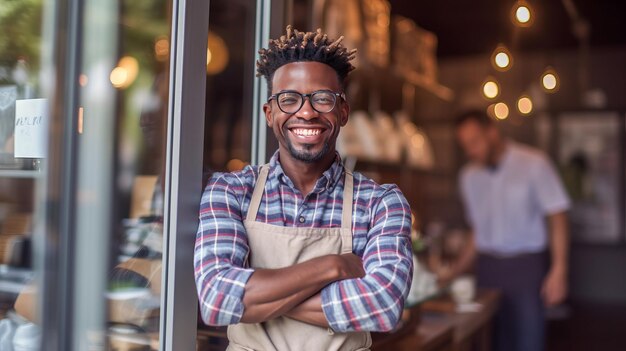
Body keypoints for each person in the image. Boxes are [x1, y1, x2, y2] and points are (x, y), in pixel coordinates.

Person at [193, 26, 413, 351]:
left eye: (322, 99)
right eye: (289, 99)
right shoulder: (231, 190)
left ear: (343, 112)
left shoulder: (381, 203)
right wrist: (333, 266)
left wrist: (253, 302)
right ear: (270, 114)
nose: (306, 112)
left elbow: (382, 308)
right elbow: (215, 300)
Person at [442, 110, 571, 351]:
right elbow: (477, 232)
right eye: (465, 146)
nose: (470, 151)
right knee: (488, 342)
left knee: (528, 342)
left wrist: (559, 270)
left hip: (526, 270)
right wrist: (453, 273)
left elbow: (558, 216)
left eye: (474, 143)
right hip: (488, 270)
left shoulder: (534, 163)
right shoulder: (468, 176)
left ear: (492, 132)